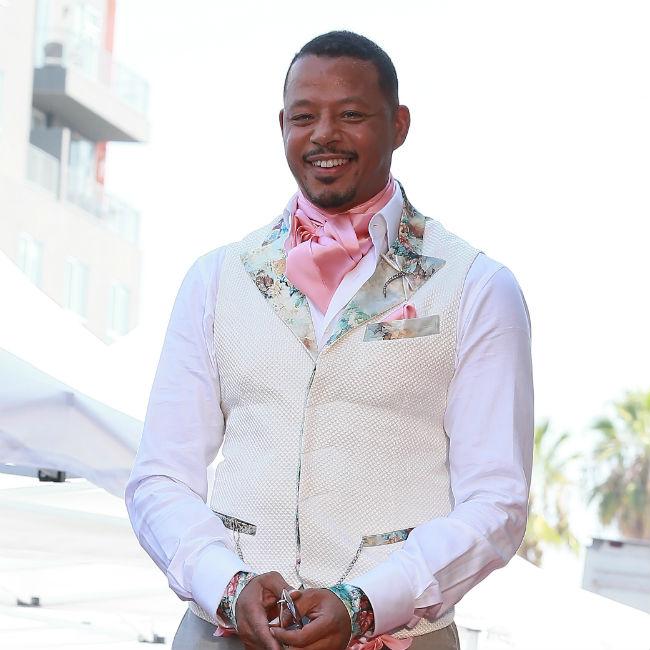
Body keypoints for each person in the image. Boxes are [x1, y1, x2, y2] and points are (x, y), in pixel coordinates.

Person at [126, 31, 533, 650]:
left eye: (351, 115)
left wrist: (369, 603)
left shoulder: (477, 287)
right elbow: (160, 476)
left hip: (400, 637)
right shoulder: (218, 278)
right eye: (303, 117)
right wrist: (225, 584)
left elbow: (497, 501)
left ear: (398, 125)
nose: (324, 135)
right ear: (281, 126)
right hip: (224, 633)